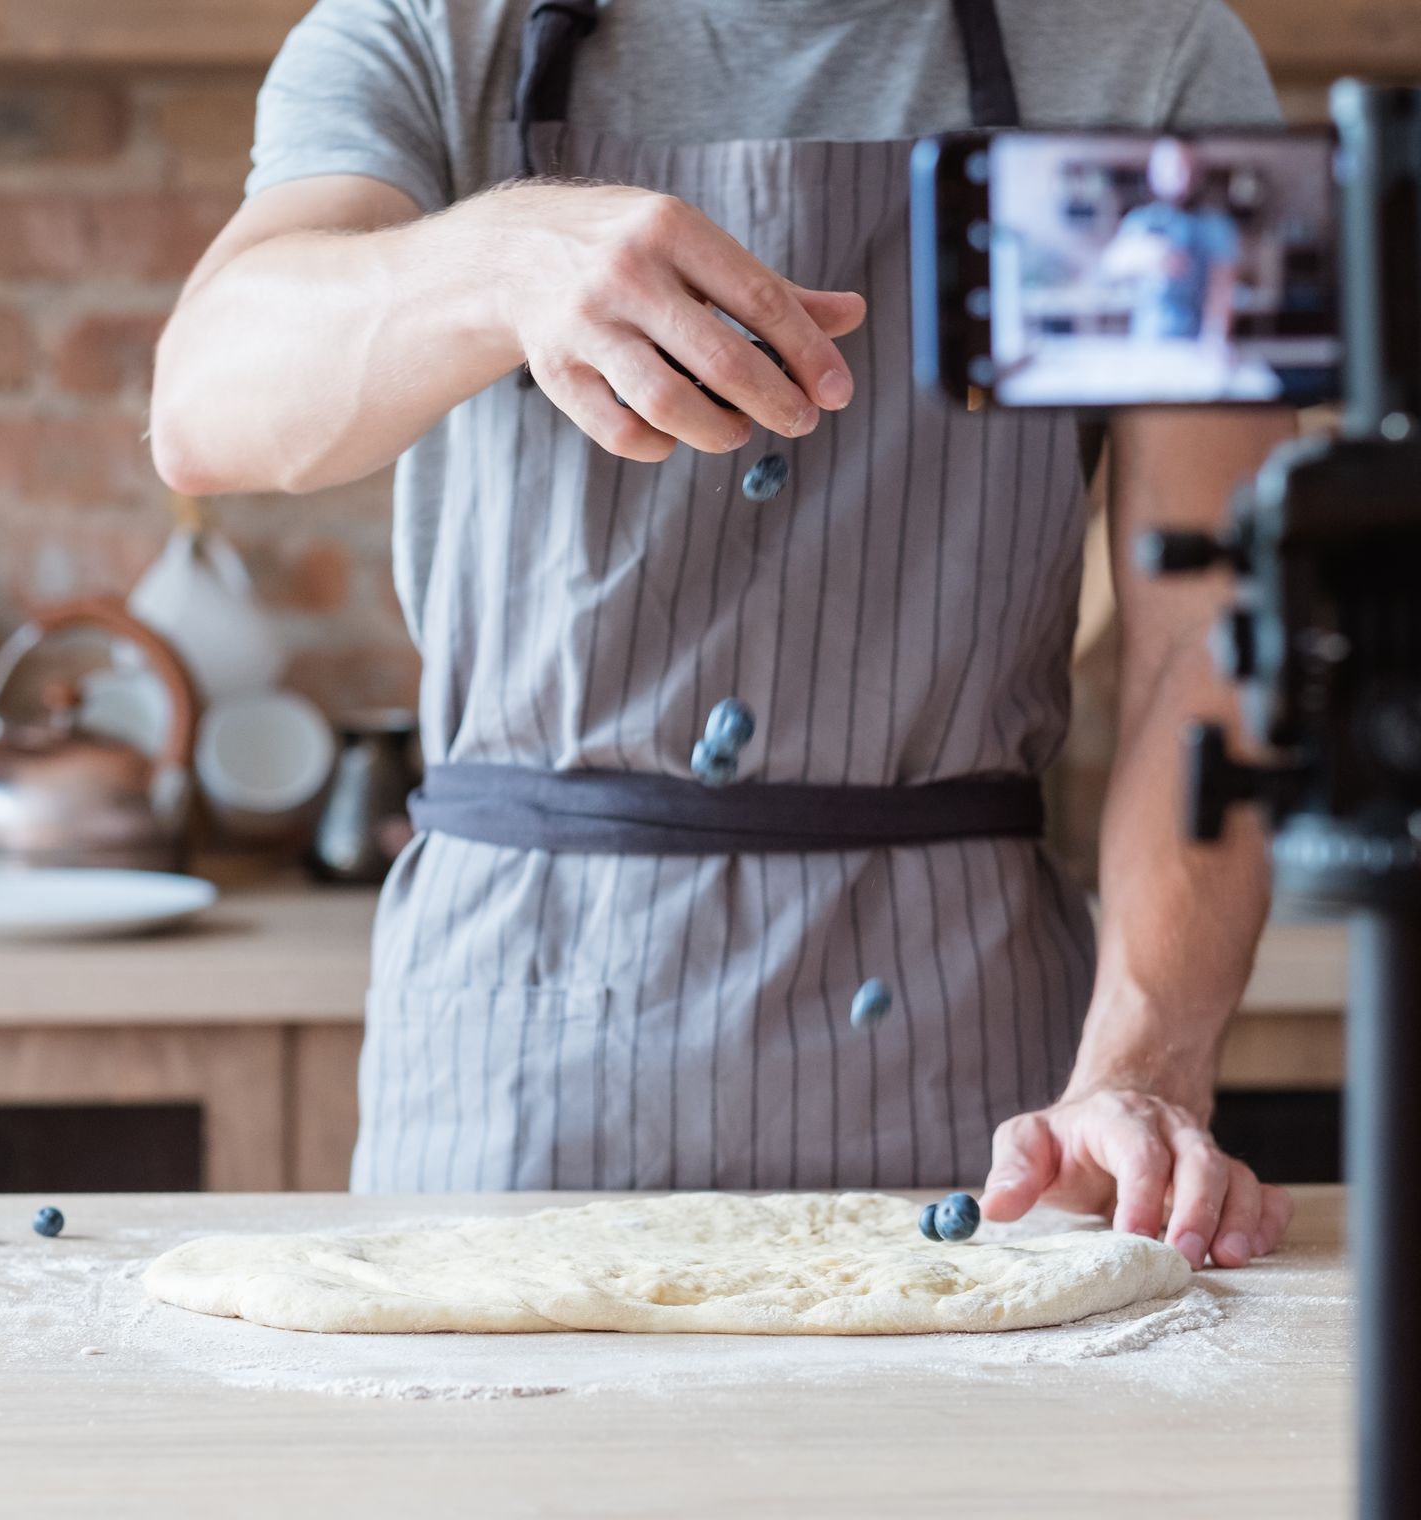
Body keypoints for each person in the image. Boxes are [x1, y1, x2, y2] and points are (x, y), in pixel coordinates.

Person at [150, 0, 1296, 1271]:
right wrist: (499, 263)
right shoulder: (426, 31)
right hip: (512, 1060)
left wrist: (1143, 1069)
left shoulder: (1150, 55)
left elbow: (1211, 632)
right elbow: (207, 404)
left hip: (985, 1095)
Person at [1100, 140, 1243, 344]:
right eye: (1171, 167)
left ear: (1198, 173)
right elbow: (1109, 268)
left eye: (1186, 168)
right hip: (1147, 341)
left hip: (1197, 344)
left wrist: (1215, 339)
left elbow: (1222, 290)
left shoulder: (1217, 226)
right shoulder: (1140, 222)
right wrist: (1147, 256)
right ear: (1154, 174)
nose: (1180, 177)